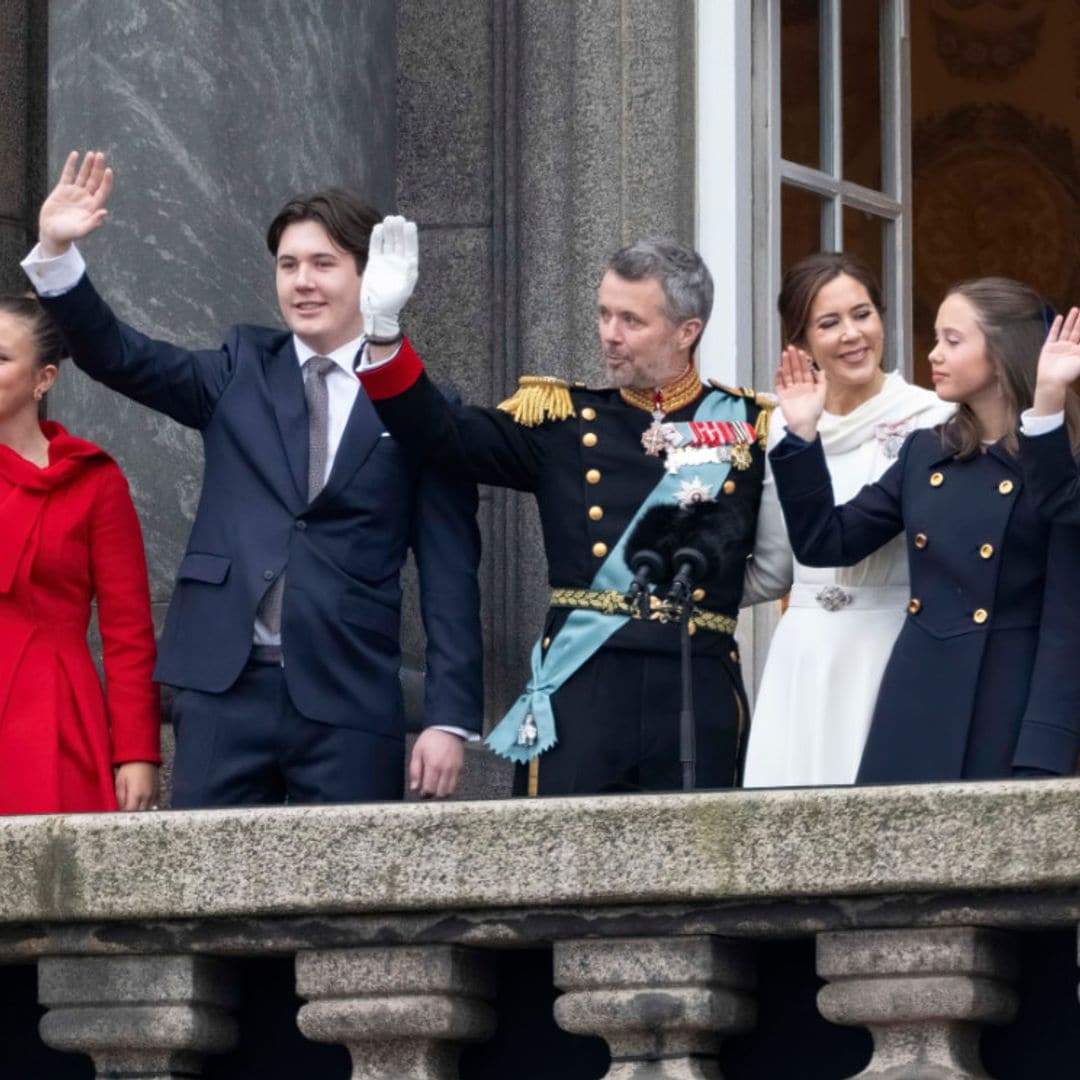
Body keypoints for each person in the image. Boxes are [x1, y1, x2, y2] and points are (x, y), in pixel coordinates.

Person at [22, 151, 483, 807]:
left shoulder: (422, 406)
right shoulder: (240, 368)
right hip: (221, 690)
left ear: (371, 274)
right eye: (288, 265)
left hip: (349, 695)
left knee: (343, 901)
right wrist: (58, 252)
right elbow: (119, 356)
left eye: (324, 264)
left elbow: (449, 572)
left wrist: (447, 717)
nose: (303, 282)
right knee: (205, 902)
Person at [354, 220, 777, 796]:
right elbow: (441, 433)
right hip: (584, 685)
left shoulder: (751, 429)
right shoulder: (562, 421)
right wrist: (383, 336)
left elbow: (784, 558)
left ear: (687, 332)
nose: (609, 334)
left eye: (631, 320)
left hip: (695, 685)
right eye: (604, 314)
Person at [768, 277, 1080, 782]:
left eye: (952, 341)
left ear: (1003, 353)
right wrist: (803, 435)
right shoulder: (924, 451)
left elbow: (1067, 623)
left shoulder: (1063, 465)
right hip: (913, 706)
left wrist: (1046, 747)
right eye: (937, 338)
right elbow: (827, 541)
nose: (933, 354)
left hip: (1007, 710)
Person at [742, 253, 953, 787]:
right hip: (805, 654)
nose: (852, 334)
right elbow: (772, 570)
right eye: (829, 323)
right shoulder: (779, 430)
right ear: (802, 340)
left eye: (862, 314)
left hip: (896, 643)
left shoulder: (937, 419)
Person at [0, 295, 159, 814]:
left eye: (1, 357)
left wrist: (136, 752)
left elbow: (128, 630)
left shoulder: (92, 480)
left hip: (52, 710)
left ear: (43, 379)